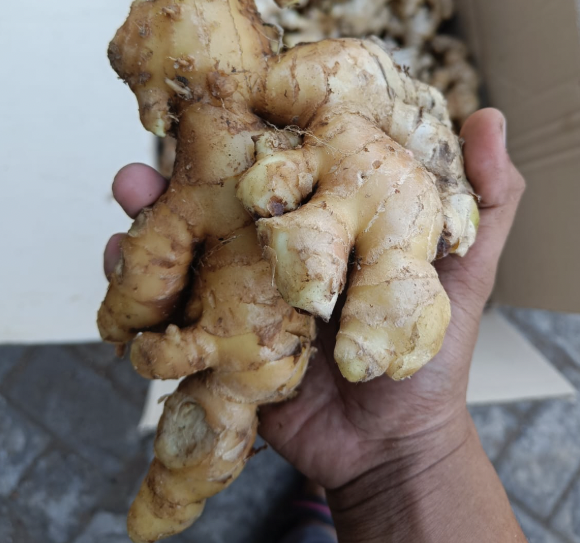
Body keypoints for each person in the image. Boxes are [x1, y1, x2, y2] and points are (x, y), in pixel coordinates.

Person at [105, 108, 527, 542]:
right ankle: (314, 512)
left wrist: (402, 452)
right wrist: (400, 457)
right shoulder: (341, 138)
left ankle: (310, 517)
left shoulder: (340, 139)